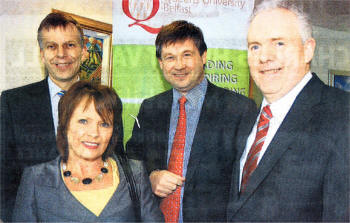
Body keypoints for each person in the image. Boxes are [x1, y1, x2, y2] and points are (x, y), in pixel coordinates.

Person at [226, 0, 350, 221]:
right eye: (255, 46)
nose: (264, 57)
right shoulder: (248, 119)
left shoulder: (342, 114)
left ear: (308, 50)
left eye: (279, 43)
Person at [126, 20, 257, 222]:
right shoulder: (150, 108)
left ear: (203, 57)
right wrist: (150, 177)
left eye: (187, 55)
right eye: (170, 57)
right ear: (161, 63)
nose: (179, 65)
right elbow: (131, 159)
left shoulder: (239, 109)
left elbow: (248, 183)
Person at [0, 12, 124, 221]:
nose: (61, 54)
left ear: (84, 52)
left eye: (70, 45)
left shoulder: (107, 102)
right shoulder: (13, 102)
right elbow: (3, 175)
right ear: (41, 54)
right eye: (51, 46)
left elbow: (117, 161)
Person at [12, 81, 163, 221]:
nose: (94, 133)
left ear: (113, 131)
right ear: (65, 125)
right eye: (83, 121)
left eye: (104, 124)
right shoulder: (36, 179)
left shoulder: (135, 174)